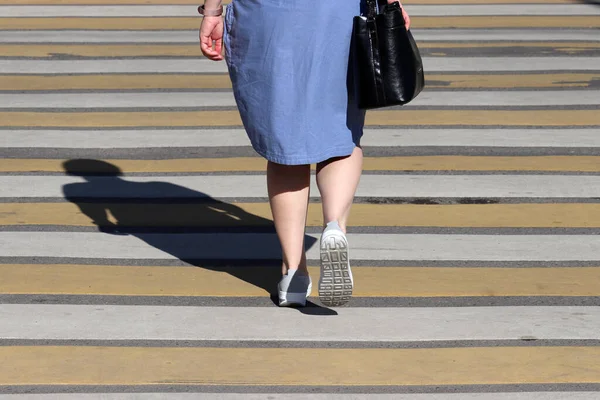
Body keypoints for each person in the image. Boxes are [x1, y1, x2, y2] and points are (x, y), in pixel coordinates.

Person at [199, 0, 410, 307]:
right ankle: (334, 223)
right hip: (337, 12)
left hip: (267, 16)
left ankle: (293, 271)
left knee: (284, 146)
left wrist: (212, 11)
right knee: (340, 136)